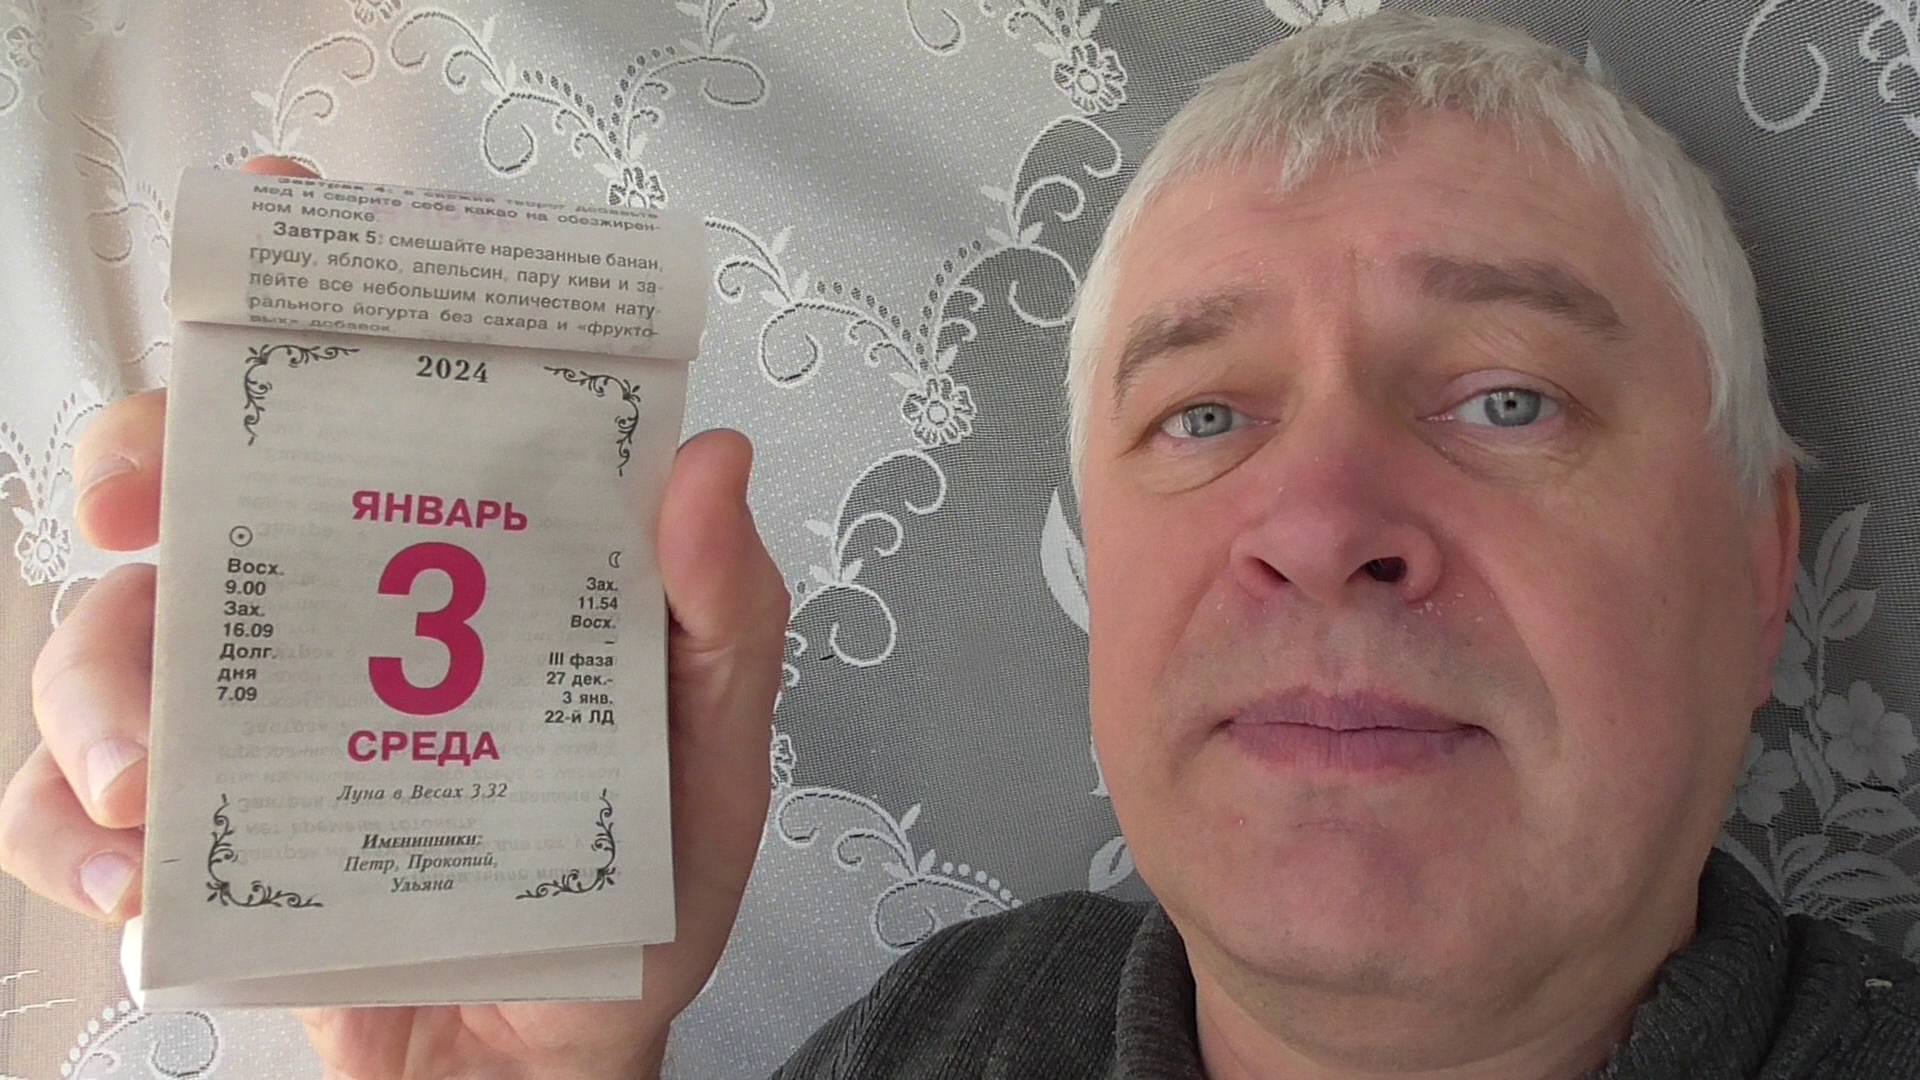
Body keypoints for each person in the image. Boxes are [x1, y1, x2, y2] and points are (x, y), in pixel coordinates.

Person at [4, 11, 1917, 1079]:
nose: (1322, 526)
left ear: (1766, 570)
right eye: (1205, 417)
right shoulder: (950, 1038)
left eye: (1505, 398)